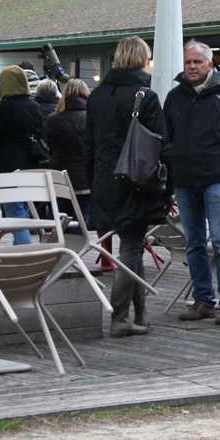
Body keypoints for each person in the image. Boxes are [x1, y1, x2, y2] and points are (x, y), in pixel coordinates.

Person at [162, 41, 220, 327]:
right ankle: (203, 299)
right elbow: (166, 135)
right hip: (185, 177)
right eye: (188, 62)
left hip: (218, 176)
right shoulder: (175, 98)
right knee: (194, 242)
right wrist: (172, 157)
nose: (191, 67)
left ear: (210, 63)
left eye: (197, 62)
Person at [88, 36, 166, 338]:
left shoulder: (96, 96)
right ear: (143, 59)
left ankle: (141, 314)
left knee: (132, 247)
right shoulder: (145, 96)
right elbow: (160, 142)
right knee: (132, 246)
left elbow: (90, 145)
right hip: (136, 180)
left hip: (105, 179)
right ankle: (120, 316)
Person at [0, 65, 45, 245]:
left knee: (14, 209)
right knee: (23, 207)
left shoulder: (4, 107)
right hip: (31, 163)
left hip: (8, 164)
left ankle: (25, 250)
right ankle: (21, 246)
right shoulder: (35, 105)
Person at [45, 78, 92, 226]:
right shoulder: (92, 118)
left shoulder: (52, 119)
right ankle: (78, 247)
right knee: (82, 219)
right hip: (85, 177)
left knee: (63, 220)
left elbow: (49, 146)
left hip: (60, 177)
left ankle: (68, 246)